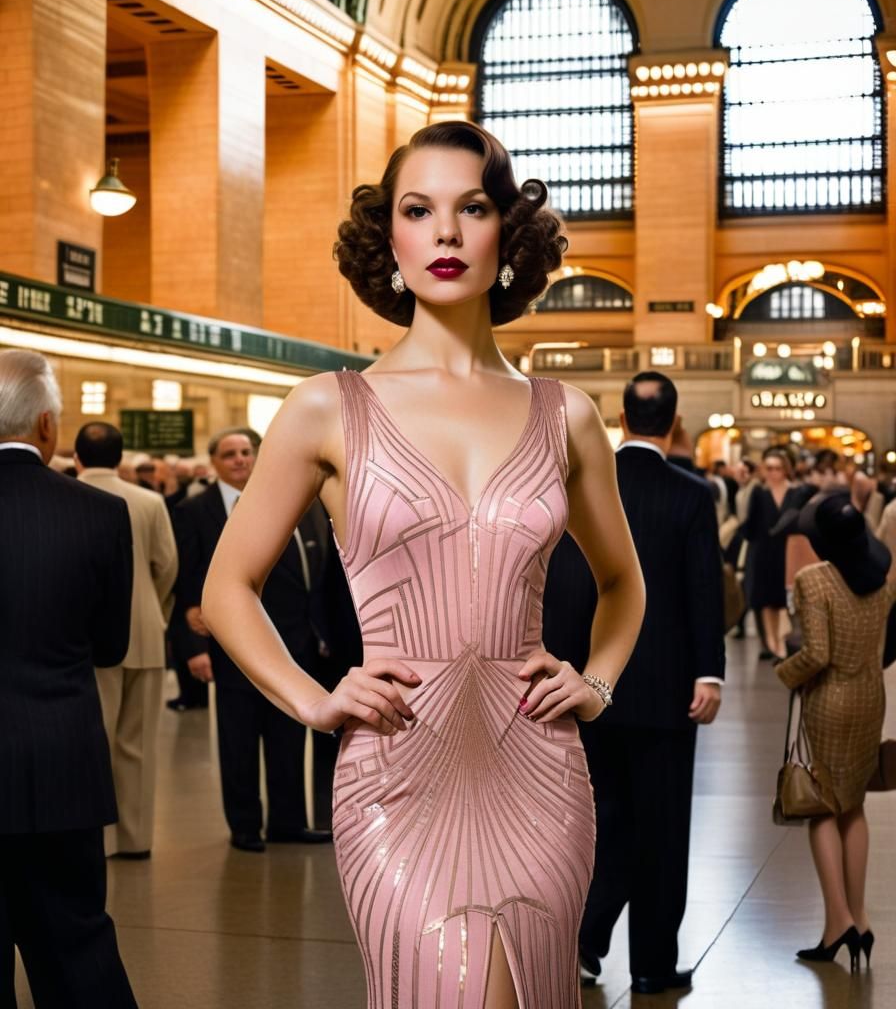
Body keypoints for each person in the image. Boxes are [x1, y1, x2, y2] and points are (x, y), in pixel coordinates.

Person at [202, 120, 645, 1009]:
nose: (445, 231)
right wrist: (313, 700)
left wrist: (596, 683)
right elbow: (226, 588)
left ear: (505, 236)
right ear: (391, 241)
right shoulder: (328, 408)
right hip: (395, 770)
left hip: (541, 770)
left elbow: (623, 583)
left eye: (471, 207)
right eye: (419, 209)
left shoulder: (568, 416)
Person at [576, 371, 725, 995]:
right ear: (675, 420)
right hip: (667, 692)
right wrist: (708, 672)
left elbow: (569, 586)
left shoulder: (584, 484)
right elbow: (702, 589)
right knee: (661, 829)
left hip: (591, 685)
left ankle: (582, 942)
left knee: (599, 820)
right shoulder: (690, 493)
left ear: (620, 416)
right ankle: (653, 966)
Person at [0, 350, 138, 1008]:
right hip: (61, 766)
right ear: (49, 427)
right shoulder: (98, 514)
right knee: (77, 953)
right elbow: (111, 647)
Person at [172, 428, 331, 851]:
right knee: (238, 739)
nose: (240, 459)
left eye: (246, 452)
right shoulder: (195, 511)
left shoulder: (291, 503)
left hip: (293, 643)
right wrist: (193, 648)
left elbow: (313, 574)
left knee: (289, 735)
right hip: (231, 645)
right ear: (215, 462)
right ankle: (244, 824)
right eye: (230, 454)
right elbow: (186, 584)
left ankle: (288, 820)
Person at [775, 491, 895, 970]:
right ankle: (860, 919)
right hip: (870, 697)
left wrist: (784, 672)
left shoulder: (813, 581)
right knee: (855, 804)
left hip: (830, 700)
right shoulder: (880, 582)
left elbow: (817, 654)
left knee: (823, 807)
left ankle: (836, 922)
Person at [75, 421, 178, 860]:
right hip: (144, 633)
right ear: (121, 459)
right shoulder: (150, 501)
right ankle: (137, 839)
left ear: (77, 457)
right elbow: (167, 565)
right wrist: (151, 610)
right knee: (136, 742)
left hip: (86, 638)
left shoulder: (67, 495)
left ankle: (98, 838)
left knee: (92, 739)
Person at [742, 448, 803, 659]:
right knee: (766, 599)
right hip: (763, 550)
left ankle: (782, 640)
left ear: (786, 470)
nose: (774, 473)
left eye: (778, 468)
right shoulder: (759, 493)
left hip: (787, 551)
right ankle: (771, 642)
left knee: (784, 599)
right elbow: (749, 525)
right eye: (769, 468)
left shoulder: (796, 493)